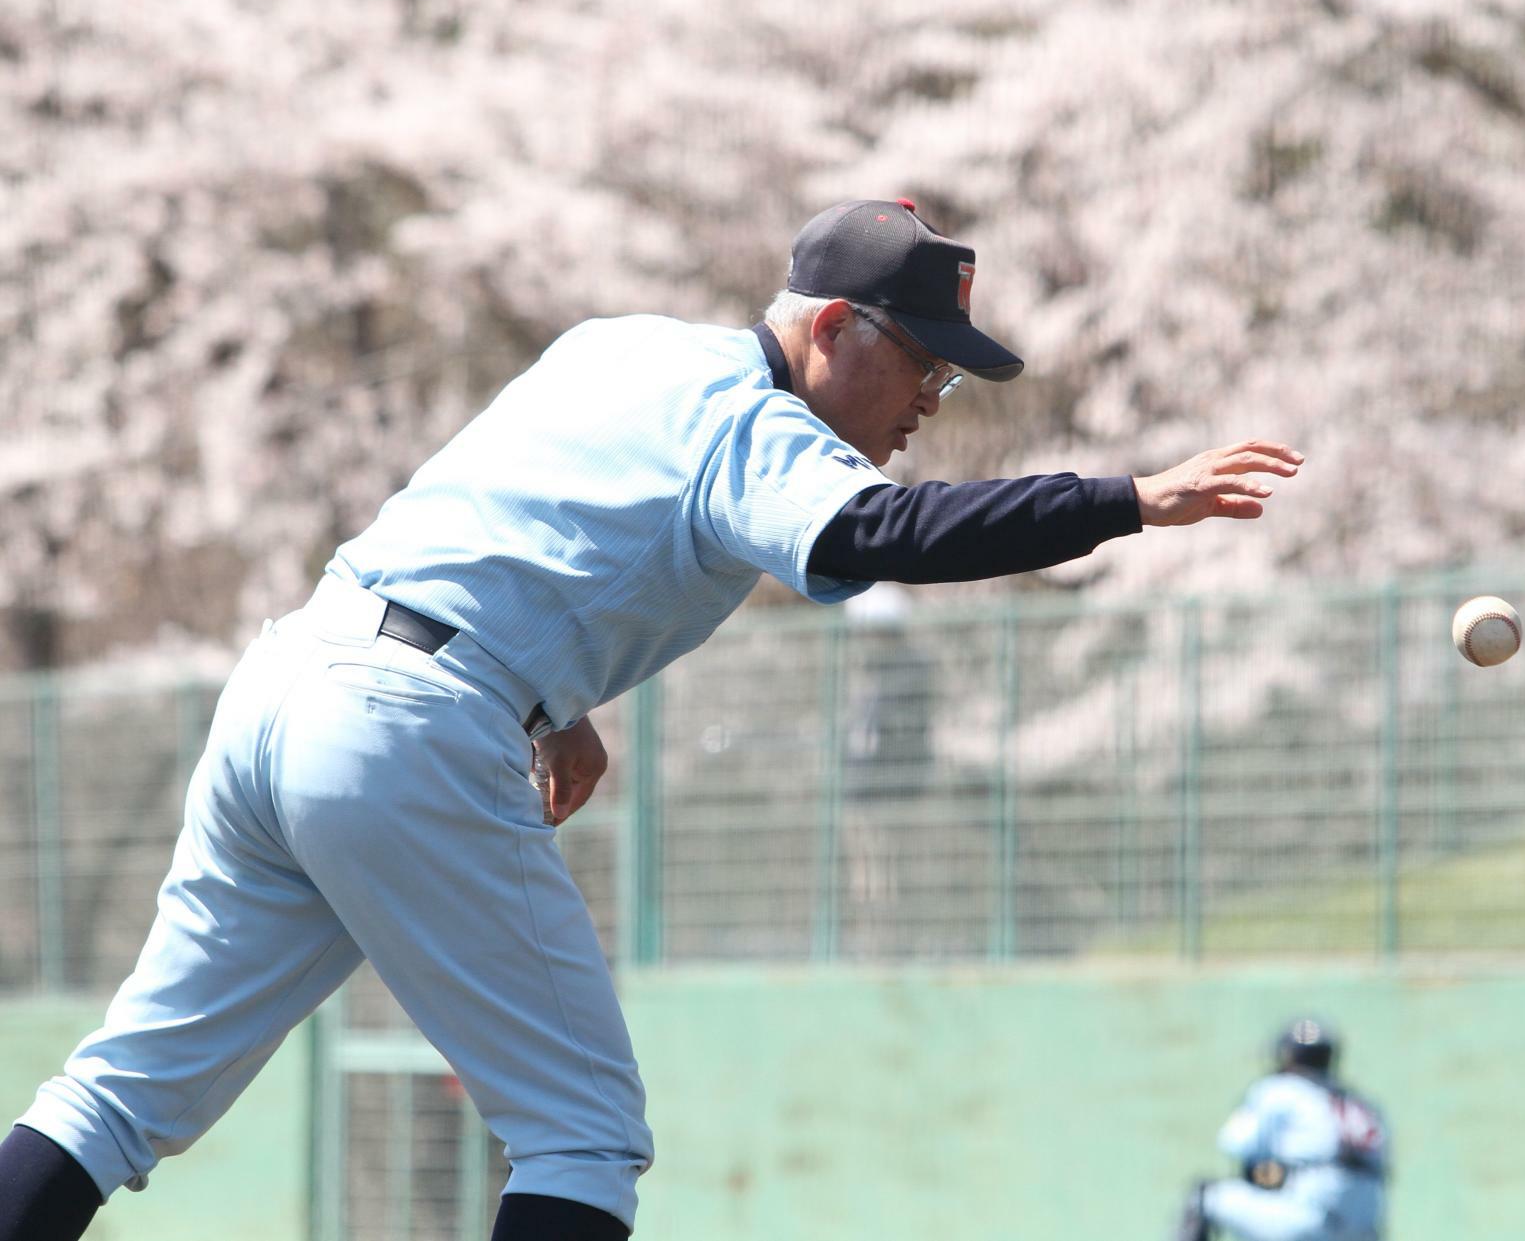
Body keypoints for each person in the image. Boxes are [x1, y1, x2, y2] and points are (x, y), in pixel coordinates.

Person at [0, 198, 1305, 1241]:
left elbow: (523, 511)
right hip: (404, 726)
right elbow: (878, 535)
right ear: (836, 328)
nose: (927, 401)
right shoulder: (749, 421)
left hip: (289, 682)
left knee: (116, 1093)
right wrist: (1127, 500)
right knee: (581, 1130)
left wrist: (553, 696)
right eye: (920, 362)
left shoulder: (617, 343)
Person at [1175, 1017, 1391, 1241]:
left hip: (1307, 1224)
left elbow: (1233, 1143)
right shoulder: (1361, 1104)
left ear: (1287, 1055)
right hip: (1363, 1233)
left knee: (1204, 1196)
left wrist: (1270, 1172)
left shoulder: (1280, 1089)